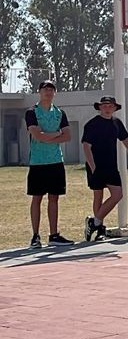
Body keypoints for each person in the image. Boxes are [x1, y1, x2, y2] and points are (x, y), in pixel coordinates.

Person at [24, 79, 75, 249]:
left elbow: (68, 136)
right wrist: (57, 134)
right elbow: (38, 136)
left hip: (56, 161)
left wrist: (49, 135)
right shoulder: (32, 112)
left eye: (51, 89)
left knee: (54, 198)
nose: (48, 92)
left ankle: (54, 234)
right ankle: (35, 236)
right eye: (45, 89)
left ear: (55, 93)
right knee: (37, 198)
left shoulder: (60, 113)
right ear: (39, 91)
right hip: (38, 162)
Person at [81, 95, 128, 241]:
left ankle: (94, 221)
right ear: (100, 107)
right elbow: (86, 146)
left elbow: (125, 139)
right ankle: (100, 230)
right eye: (104, 105)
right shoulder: (92, 124)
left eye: (110, 106)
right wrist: (93, 166)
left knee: (118, 194)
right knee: (98, 195)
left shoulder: (117, 123)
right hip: (96, 165)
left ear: (114, 108)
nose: (107, 108)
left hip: (111, 165)